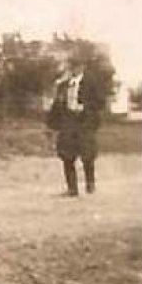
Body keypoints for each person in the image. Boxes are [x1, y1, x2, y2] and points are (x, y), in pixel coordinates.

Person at [45, 55, 105, 196]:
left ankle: (90, 184)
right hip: (68, 122)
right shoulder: (63, 85)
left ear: (82, 67)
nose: (74, 69)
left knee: (87, 155)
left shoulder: (91, 83)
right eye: (72, 66)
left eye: (77, 66)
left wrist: (85, 107)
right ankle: (72, 188)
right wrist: (51, 124)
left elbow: (100, 103)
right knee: (67, 155)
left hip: (85, 123)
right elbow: (57, 105)